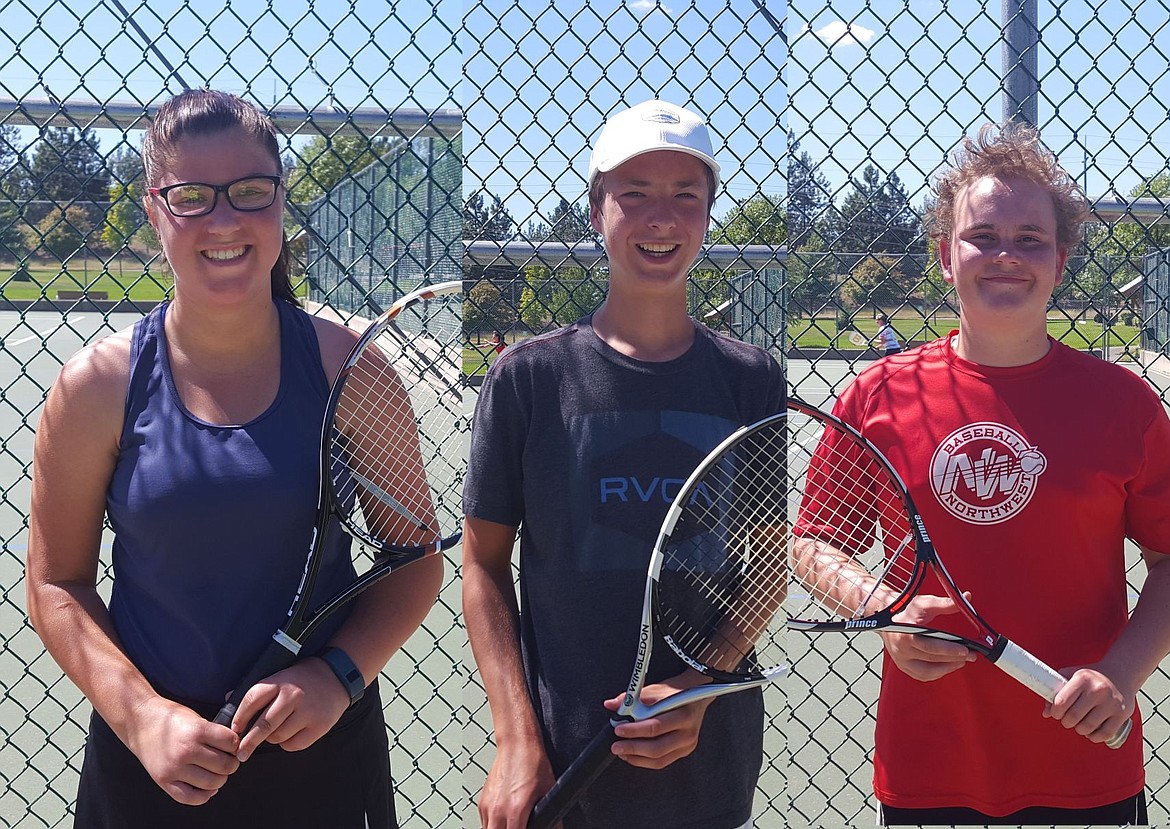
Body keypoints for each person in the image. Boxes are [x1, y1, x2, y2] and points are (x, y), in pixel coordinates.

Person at [25, 89, 443, 828]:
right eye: (191, 196)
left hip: (322, 756)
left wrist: (334, 675)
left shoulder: (351, 370)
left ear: (282, 203)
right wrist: (144, 717)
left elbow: (415, 558)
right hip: (152, 761)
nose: (225, 219)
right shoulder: (96, 386)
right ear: (155, 212)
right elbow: (56, 583)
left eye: (251, 192)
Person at [805, 122, 1170, 825]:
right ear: (946, 256)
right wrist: (883, 606)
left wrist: (1121, 675)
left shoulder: (1122, 403)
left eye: (1030, 239)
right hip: (930, 766)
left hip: (1083, 760)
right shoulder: (877, 394)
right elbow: (815, 541)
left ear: (1060, 261)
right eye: (983, 236)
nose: (1007, 255)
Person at [462, 99, 785, 828]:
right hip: (564, 767)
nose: (660, 218)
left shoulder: (751, 376)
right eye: (633, 195)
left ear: (708, 214)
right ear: (594, 209)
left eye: (685, 196)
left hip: (708, 772)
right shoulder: (527, 377)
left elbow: (766, 564)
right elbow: (482, 564)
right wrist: (516, 740)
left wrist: (705, 678)